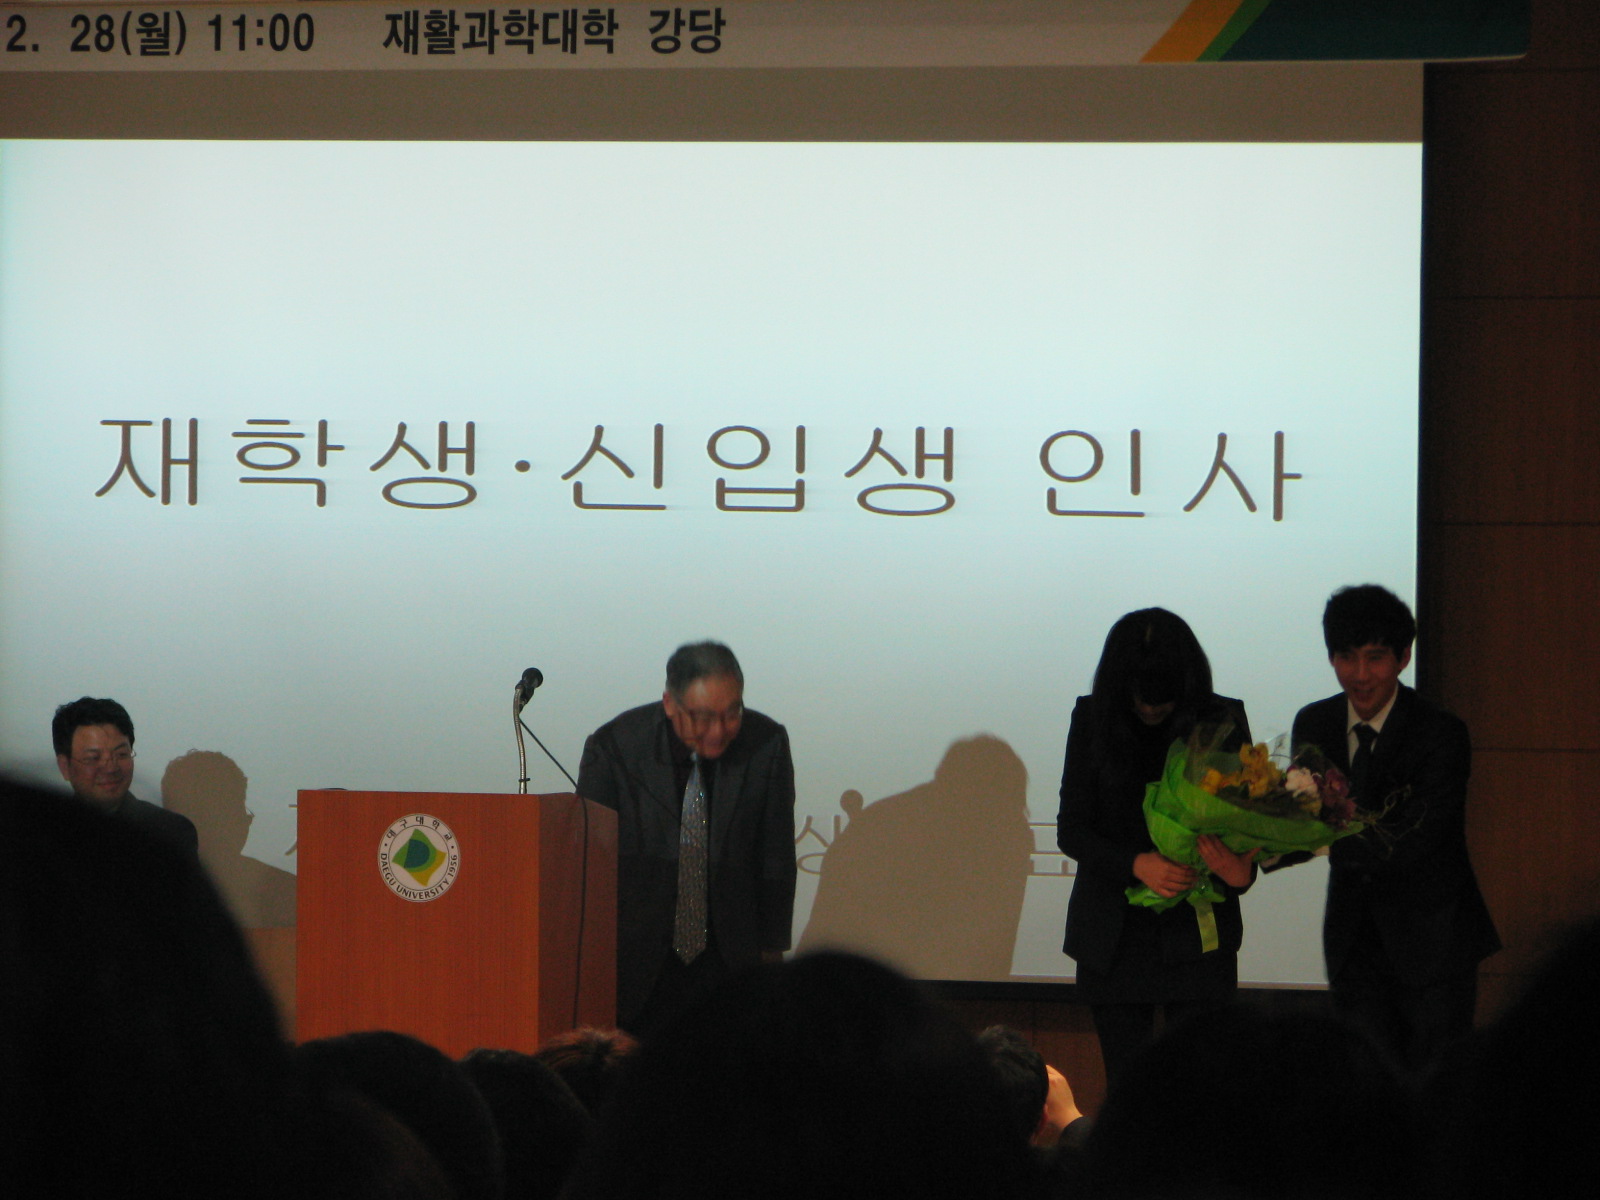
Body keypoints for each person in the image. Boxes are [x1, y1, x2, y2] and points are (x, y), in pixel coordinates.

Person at [1292, 584, 1499, 1074]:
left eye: (1376, 658)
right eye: (1347, 657)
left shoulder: (1440, 732)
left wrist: (1321, 842)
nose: (1360, 674)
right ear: (1331, 657)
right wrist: (1254, 845)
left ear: (1403, 658)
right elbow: (1301, 820)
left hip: (1434, 941)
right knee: (1365, 1083)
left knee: (1435, 1085)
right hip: (1352, 940)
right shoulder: (1315, 723)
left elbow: (1417, 836)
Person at [1056, 608, 1257, 1084]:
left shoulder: (1220, 719)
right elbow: (1072, 829)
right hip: (1115, 938)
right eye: (1140, 698)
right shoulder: (1093, 718)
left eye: (1163, 701)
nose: (1150, 710)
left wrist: (1242, 871)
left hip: (1198, 935)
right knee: (1129, 1088)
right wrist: (1136, 864)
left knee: (1202, 1087)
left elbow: (1248, 827)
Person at [576, 641, 796, 1037]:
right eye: (704, 717)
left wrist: (772, 953)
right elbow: (589, 861)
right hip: (638, 963)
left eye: (733, 713)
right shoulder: (614, 746)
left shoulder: (767, 743)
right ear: (669, 704)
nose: (719, 730)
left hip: (731, 958)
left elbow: (775, 855)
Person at [52, 695, 198, 857]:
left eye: (121, 754)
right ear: (64, 767)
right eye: (94, 758)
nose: (110, 768)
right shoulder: (44, 834)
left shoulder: (169, 832)